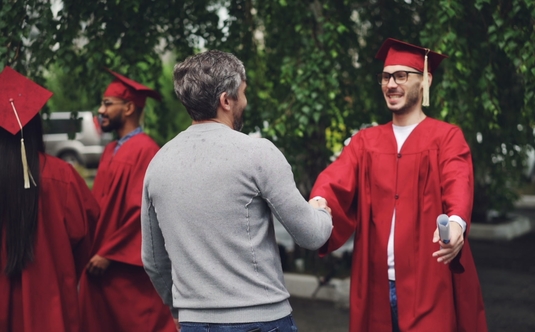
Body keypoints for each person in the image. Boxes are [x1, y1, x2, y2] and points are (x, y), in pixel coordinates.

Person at [141, 50, 333, 332]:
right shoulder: (258, 153)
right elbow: (312, 235)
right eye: (243, 93)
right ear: (226, 100)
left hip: (194, 321)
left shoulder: (158, 163)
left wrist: (178, 306)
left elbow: (153, 260)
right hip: (261, 320)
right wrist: (321, 211)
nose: (246, 101)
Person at [310, 38, 488, 331]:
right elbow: (334, 179)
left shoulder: (446, 137)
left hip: (431, 284)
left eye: (401, 75)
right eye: (386, 76)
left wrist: (456, 223)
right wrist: (319, 201)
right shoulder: (366, 142)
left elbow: (459, 181)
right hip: (376, 285)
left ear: (425, 79)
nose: (390, 84)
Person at [0, 66, 100, 332]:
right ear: (35, 128)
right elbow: (86, 234)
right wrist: (59, 266)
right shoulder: (61, 176)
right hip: (49, 309)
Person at [78, 69, 177, 331]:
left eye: (108, 104)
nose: (101, 110)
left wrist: (109, 253)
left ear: (130, 107)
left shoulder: (146, 149)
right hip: (100, 264)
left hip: (124, 270)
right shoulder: (112, 149)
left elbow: (142, 213)